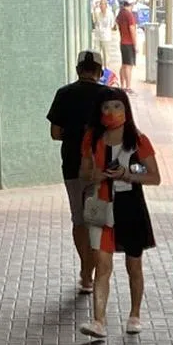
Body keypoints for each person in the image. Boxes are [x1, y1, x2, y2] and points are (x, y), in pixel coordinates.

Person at [78, 89, 161, 341]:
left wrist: (128, 174)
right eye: (106, 107)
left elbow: (154, 176)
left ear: (126, 109)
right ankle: (98, 320)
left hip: (130, 204)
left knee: (133, 264)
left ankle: (135, 314)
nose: (111, 112)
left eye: (117, 106)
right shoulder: (92, 138)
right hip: (100, 205)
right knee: (102, 264)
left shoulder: (137, 139)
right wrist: (96, 175)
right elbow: (84, 172)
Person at [47, 50, 108, 296]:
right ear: (100, 71)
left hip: (72, 166)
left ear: (78, 69)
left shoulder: (64, 94)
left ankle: (85, 273)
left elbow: (55, 133)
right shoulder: (109, 95)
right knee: (96, 222)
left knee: (79, 220)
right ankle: (89, 273)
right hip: (100, 169)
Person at [115, 0, 138, 90]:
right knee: (129, 65)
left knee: (124, 64)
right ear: (131, 4)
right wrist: (135, 44)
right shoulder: (129, 15)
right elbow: (132, 29)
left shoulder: (121, 13)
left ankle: (122, 84)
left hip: (122, 42)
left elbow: (115, 24)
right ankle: (128, 86)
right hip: (128, 43)